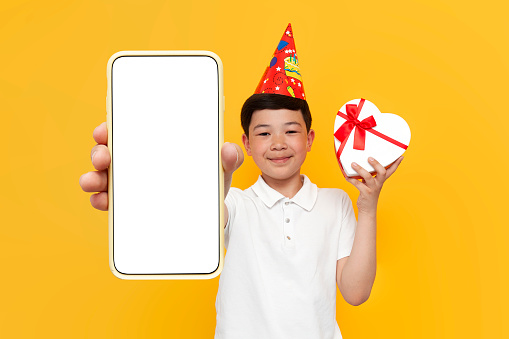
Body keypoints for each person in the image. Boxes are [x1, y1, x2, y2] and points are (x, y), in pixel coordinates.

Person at [80, 24, 404, 339]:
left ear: (310, 139)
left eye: (291, 130)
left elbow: (355, 292)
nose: (278, 142)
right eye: (264, 133)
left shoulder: (336, 203)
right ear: (247, 144)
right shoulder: (234, 203)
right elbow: (196, 221)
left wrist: (369, 206)